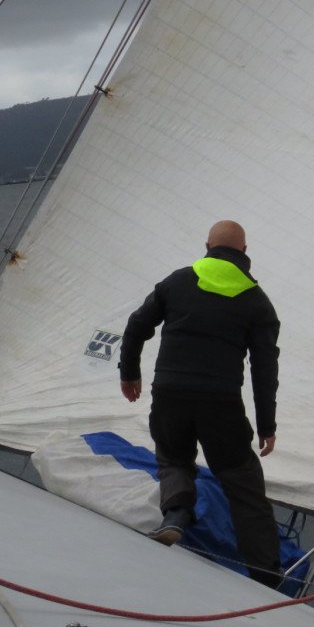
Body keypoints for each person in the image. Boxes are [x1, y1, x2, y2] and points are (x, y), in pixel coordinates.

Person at [119, 220, 282, 588]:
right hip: (220, 402)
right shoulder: (257, 302)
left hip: (171, 391)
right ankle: (267, 573)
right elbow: (264, 370)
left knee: (173, 457)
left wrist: (129, 373)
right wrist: (267, 426)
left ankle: (176, 513)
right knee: (243, 484)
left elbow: (136, 326)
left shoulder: (177, 281)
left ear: (207, 246)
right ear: (244, 252)